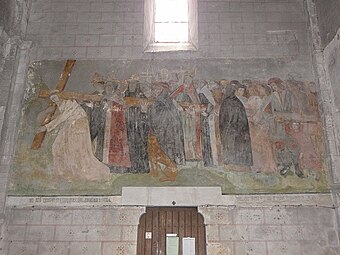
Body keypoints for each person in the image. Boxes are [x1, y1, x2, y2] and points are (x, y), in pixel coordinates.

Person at [39, 92, 111, 181]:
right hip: (70, 126)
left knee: (77, 150)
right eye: (53, 99)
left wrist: (47, 127)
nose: (55, 100)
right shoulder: (60, 106)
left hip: (79, 128)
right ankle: (64, 172)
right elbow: (57, 117)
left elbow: (63, 117)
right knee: (57, 146)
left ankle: (77, 172)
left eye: (56, 97)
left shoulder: (70, 103)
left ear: (60, 97)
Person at [219, 80, 253, 168]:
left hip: (231, 129)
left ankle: (233, 163)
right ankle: (236, 163)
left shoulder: (227, 102)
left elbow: (223, 119)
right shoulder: (236, 102)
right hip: (236, 129)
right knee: (234, 146)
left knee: (232, 146)